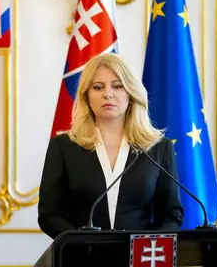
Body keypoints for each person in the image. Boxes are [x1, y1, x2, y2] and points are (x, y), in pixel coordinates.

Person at [38, 53, 183, 239]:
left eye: (117, 86)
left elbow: (171, 214)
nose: (107, 93)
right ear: (87, 97)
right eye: (98, 87)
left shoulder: (158, 148)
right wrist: (80, 243)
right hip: (82, 257)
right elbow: (49, 214)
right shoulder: (63, 146)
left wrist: (144, 247)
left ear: (131, 94)